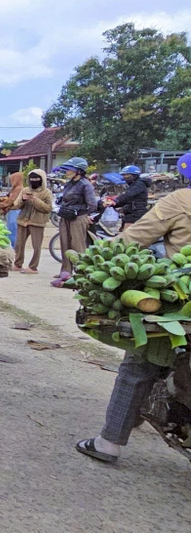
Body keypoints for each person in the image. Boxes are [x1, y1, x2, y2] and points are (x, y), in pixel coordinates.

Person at [76, 153, 191, 464]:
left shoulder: (181, 200)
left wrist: (102, 256)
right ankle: (141, 415)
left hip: (179, 300)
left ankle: (109, 442)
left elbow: (136, 237)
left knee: (139, 364)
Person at [52, 157, 97, 287]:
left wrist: (87, 215)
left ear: (79, 171)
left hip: (78, 218)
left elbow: (92, 204)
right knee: (65, 243)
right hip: (65, 216)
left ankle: (81, 272)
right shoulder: (69, 183)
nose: (66, 171)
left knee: (78, 245)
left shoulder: (85, 184)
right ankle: (65, 271)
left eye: (69, 169)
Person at [11, 169, 53, 273]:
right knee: (19, 245)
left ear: (42, 179)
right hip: (22, 220)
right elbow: (16, 205)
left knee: (36, 246)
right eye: (32, 179)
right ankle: (17, 264)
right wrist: (23, 200)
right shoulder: (25, 190)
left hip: (37, 222)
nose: (34, 181)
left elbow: (48, 208)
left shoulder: (46, 193)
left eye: (36, 179)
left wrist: (35, 199)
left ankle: (33, 267)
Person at [0, 172, 24, 248]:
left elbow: (11, 200)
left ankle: (13, 247)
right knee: (10, 229)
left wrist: (2, 205)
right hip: (12, 211)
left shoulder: (19, 189)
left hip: (15, 212)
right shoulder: (15, 188)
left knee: (13, 230)